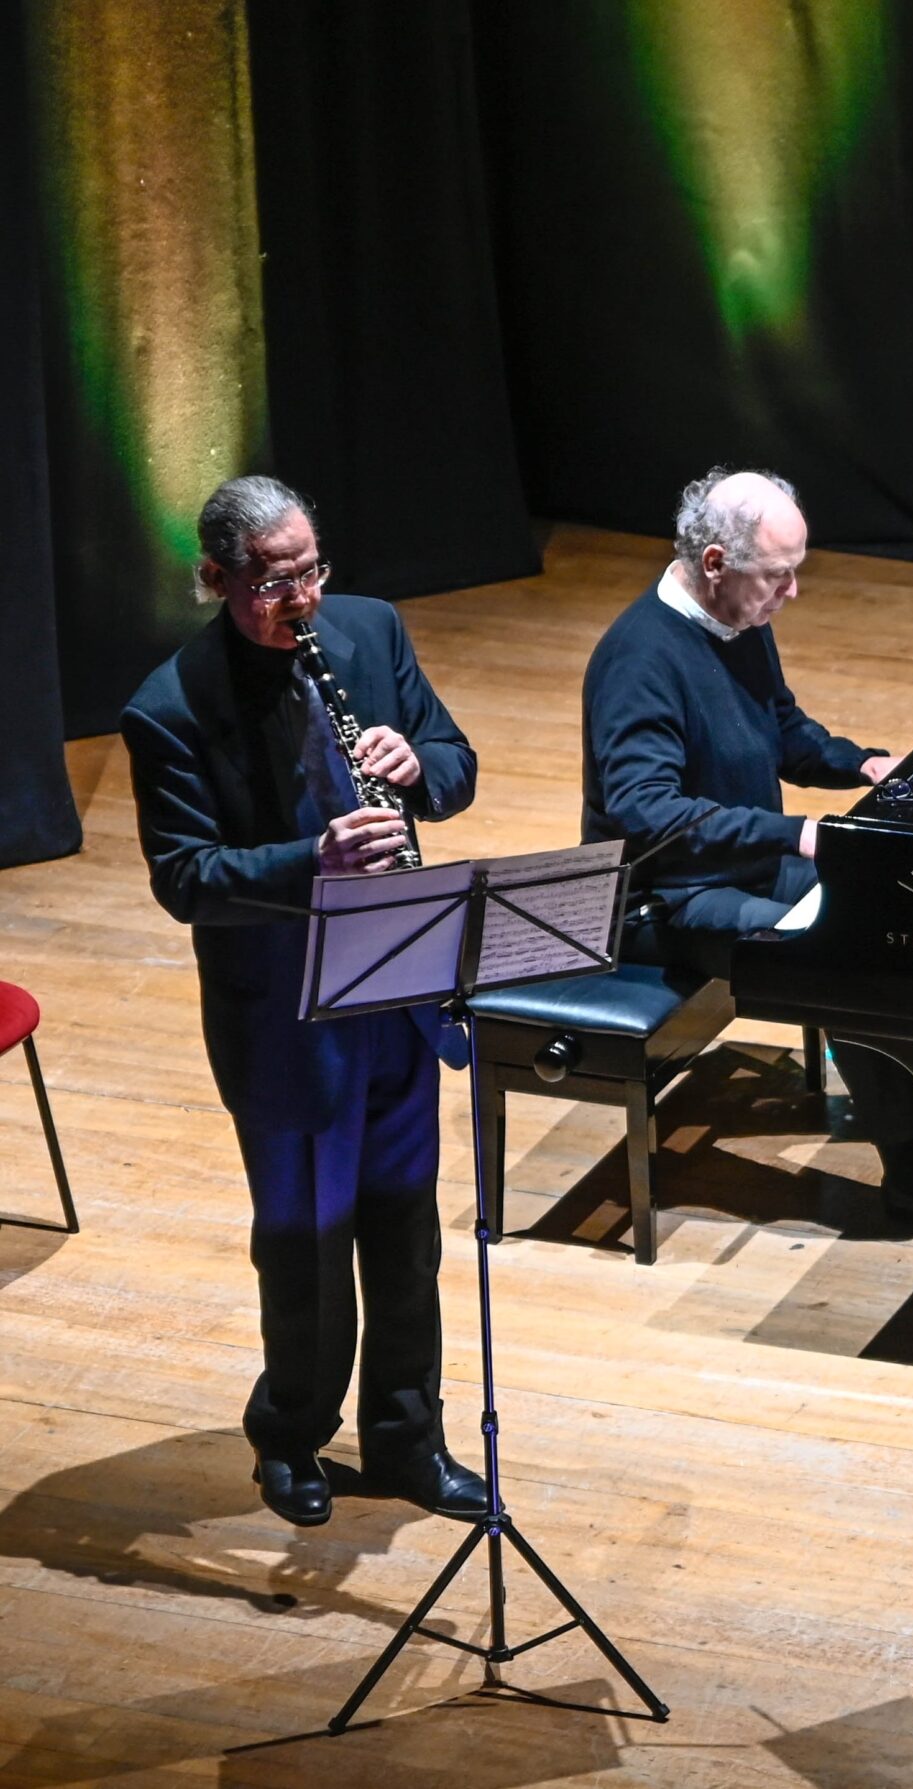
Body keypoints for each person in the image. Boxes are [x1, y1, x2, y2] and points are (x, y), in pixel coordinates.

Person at [122, 475, 490, 1529]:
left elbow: (456, 764)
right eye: (276, 582)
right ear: (217, 577)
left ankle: (408, 1436)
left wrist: (418, 766)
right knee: (306, 1242)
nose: (303, 599)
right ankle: (290, 1432)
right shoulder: (171, 706)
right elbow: (184, 878)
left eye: (311, 570)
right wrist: (311, 859)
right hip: (283, 1011)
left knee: (404, 1227)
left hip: (396, 980)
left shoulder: (369, 631)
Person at [580, 466, 913, 1208]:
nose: (792, 592)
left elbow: (781, 727)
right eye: (778, 575)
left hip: (745, 865)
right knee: (840, 955)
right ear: (715, 563)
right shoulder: (640, 660)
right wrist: (796, 833)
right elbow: (648, 811)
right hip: (667, 897)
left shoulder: (737, 622)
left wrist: (864, 763)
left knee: (892, 906)